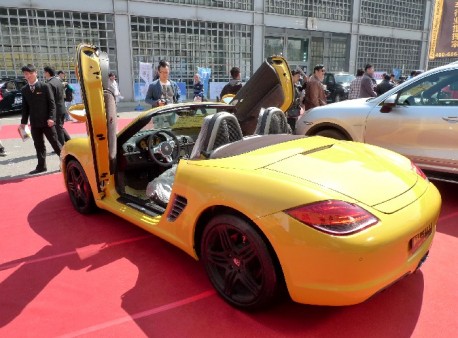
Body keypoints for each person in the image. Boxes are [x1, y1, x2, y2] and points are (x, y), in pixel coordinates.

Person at [19, 64, 61, 174]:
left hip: (47, 122)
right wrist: (23, 122)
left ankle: (65, 162)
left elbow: (52, 104)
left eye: (29, 73)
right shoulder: (24, 89)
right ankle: (41, 166)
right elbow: (25, 108)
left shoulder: (45, 86)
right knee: (38, 145)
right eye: (25, 74)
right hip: (34, 123)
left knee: (55, 143)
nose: (27, 76)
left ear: (35, 73)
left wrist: (51, 118)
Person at [44, 66, 71, 145]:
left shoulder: (49, 84)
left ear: (48, 73)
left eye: (44, 72)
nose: (44, 74)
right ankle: (69, 142)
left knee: (58, 128)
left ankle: (61, 145)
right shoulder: (58, 81)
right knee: (60, 127)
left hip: (56, 109)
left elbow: (50, 99)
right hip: (61, 107)